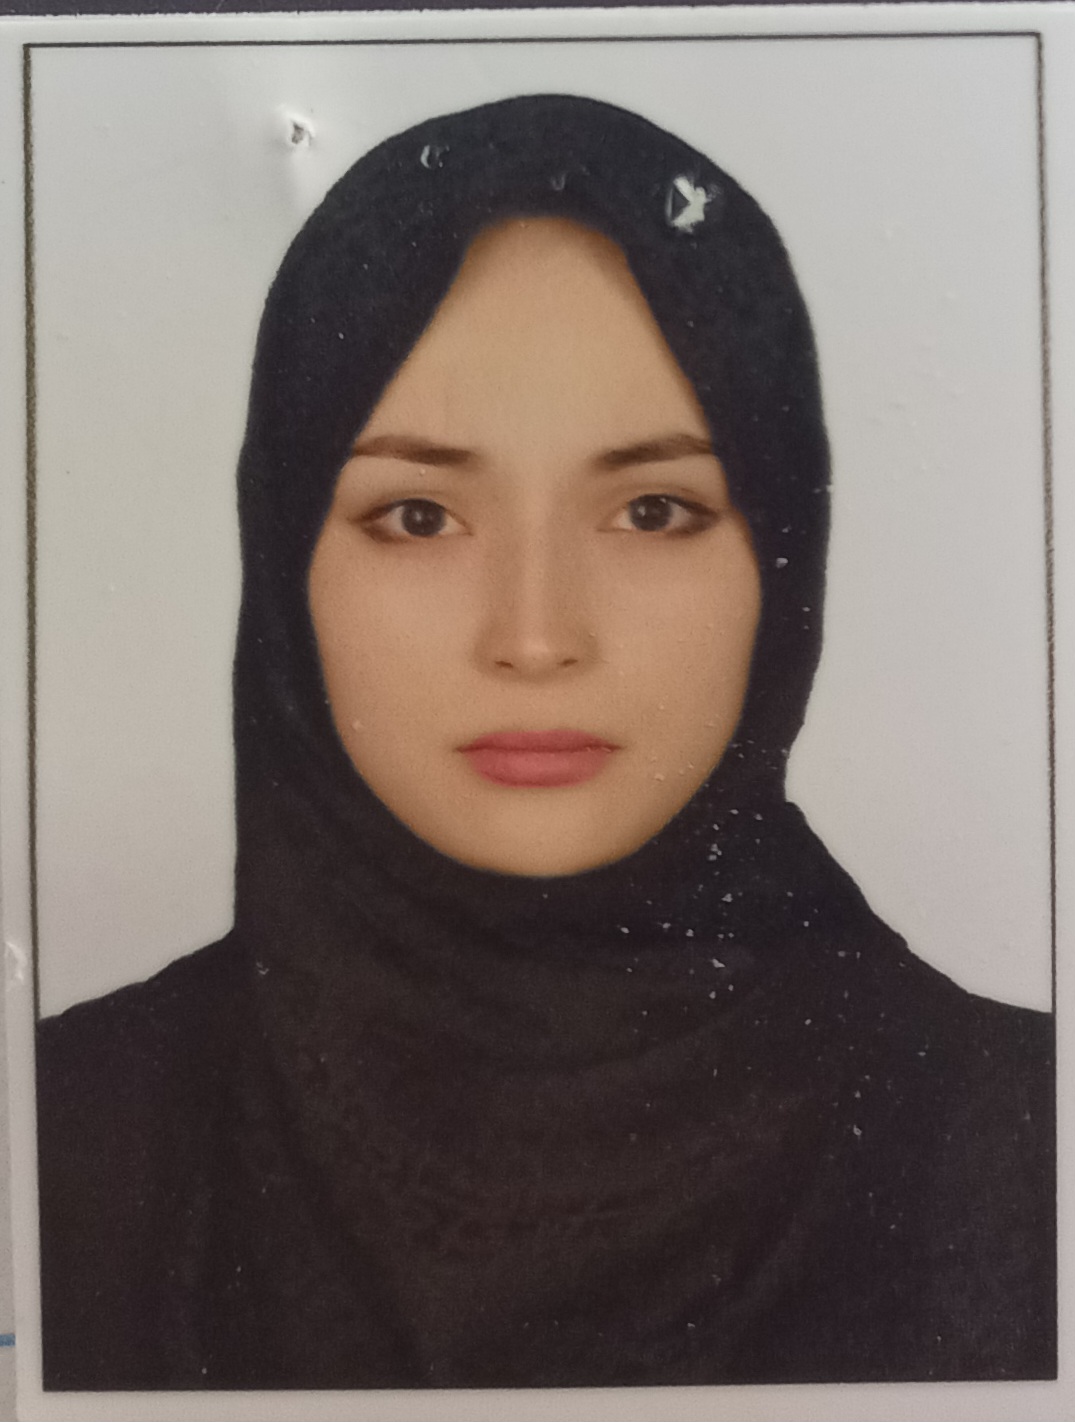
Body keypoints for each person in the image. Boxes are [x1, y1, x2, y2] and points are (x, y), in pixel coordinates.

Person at [36, 93, 1055, 1391]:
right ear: (285, 561)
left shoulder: (1031, 1141)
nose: (534, 636)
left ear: (782, 559)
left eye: (652, 509)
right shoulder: (61, 1137)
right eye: (418, 515)